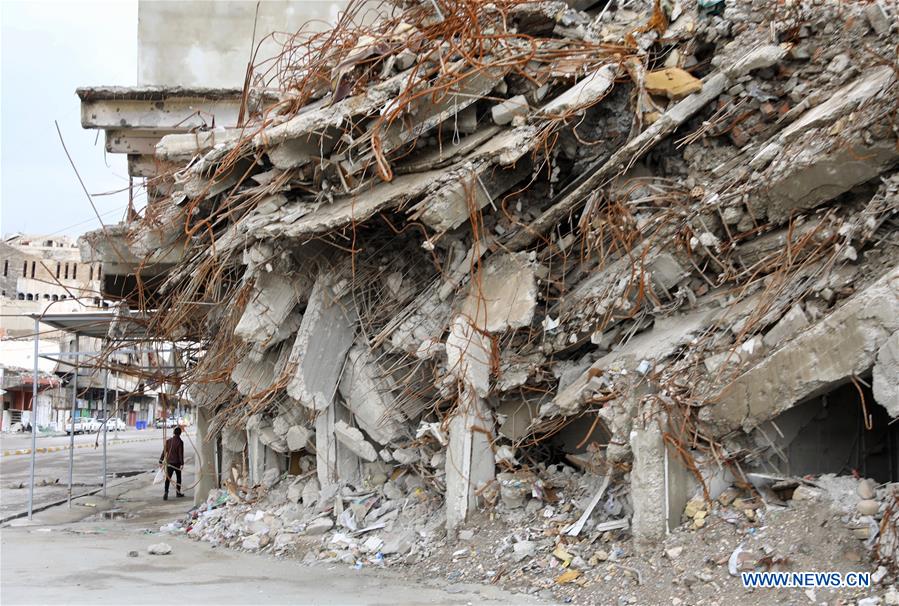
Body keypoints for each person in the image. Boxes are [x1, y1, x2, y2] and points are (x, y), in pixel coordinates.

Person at [158, 426, 185, 500]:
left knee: (168, 478)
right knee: (178, 478)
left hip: (169, 463)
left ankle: (166, 492)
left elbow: (164, 452)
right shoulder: (180, 442)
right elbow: (180, 454)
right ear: (180, 433)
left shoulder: (168, 441)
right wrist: (182, 463)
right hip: (177, 463)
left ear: (173, 433)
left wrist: (160, 460)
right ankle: (178, 493)